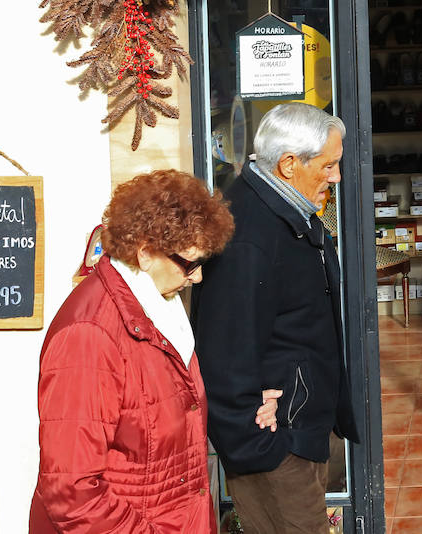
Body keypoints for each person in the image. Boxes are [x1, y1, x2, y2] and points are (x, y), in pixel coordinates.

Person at [29, 169, 277, 533]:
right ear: (144, 253)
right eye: (189, 264)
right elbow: (72, 490)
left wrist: (247, 402)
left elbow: (166, 406)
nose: (198, 278)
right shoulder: (89, 336)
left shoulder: (160, 308)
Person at [192, 102, 360, 534]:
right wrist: (261, 447)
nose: (336, 177)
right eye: (328, 166)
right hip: (275, 447)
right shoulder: (250, 234)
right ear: (288, 164)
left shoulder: (283, 213)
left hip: (295, 431)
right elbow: (222, 352)